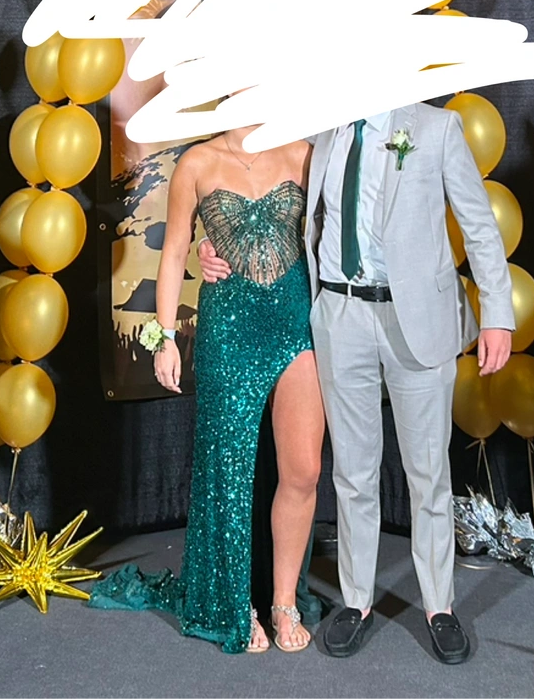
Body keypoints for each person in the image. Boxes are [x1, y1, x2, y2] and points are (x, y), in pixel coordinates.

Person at [200, 104, 513, 664]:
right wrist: (214, 247)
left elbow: (479, 226)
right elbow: (277, 213)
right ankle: (357, 602)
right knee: (352, 471)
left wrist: (497, 315)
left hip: (416, 319)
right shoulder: (323, 129)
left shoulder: (434, 128)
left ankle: (439, 607)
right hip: (340, 317)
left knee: (428, 474)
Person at [90, 126, 324, 655]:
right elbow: (173, 253)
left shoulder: (302, 153)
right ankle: (235, 605)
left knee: (304, 470)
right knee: (228, 473)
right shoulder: (197, 162)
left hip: (297, 325)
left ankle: (284, 601)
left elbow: (327, 234)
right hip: (229, 330)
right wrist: (165, 339)